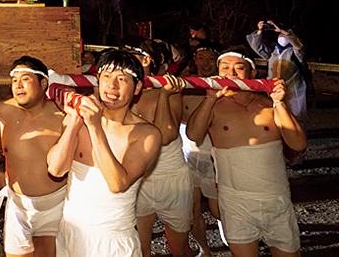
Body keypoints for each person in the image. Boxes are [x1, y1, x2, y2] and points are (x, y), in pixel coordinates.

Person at [186, 48, 307, 257]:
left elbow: (298, 144)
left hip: (275, 199)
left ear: (252, 74)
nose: (230, 73)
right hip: (235, 201)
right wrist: (209, 98)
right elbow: (193, 135)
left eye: (238, 68)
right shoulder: (213, 107)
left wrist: (279, 101)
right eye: (224, 68)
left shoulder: (269, 105)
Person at [47, 49, 162, 257]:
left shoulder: (147, 134)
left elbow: (117, 184)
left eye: (122, 78)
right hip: (70, 230)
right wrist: (74, 120)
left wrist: (94, 126)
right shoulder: (80, 118)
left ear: (137, 88)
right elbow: (55, 169)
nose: (112, 85)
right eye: (107, 76)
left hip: (113, 240)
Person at [0, 56, 66, 257]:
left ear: (43, 83)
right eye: (14, 80)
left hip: (55, 205)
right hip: (18, 205)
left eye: (25, 79)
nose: (18, 85)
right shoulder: (1, 110)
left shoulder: (62, 113)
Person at [128, 44, 195, 257]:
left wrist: (164, 97)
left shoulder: (169, 90)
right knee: (139, 248)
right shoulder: (120, 91)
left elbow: (166, 136)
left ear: (146, 60)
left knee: (179, 248)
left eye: (129, 56)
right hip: (138, 177)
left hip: (171, 176)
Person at [180, 42, 222, 257]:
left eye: (211, 58)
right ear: (195, 60)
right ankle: (204, 250)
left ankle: (234, 238)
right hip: (187, 153)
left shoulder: (226, 88)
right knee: (192, 208)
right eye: (202, 58)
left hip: (214, 154)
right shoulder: (184, 85)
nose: (206, 63)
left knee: (219, 209)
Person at [246, 20, 308, 126]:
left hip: (293, 91)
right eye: (279, 34)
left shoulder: (295, 53)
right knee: (274, 117)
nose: (281, 36)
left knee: (295, 118)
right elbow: (256, 47)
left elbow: (299, 46)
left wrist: (284, 32)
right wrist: (259, 31)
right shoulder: (272, 52)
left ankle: (297, 138)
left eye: (283, 34)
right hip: (273, 90)